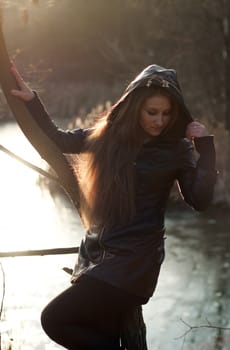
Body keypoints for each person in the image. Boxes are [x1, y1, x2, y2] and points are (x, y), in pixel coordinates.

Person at [10, 63, 217, 350]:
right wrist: (31, 100)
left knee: (54, 319)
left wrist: (205, 148)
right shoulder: (107, 138)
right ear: (135, 108)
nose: (159, 121)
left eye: (166, 114)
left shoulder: (176, 151)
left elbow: (201, 200)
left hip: (134, 264)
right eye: (152, 112)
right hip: (98, 256)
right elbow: (58, 139)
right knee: (99, 333)